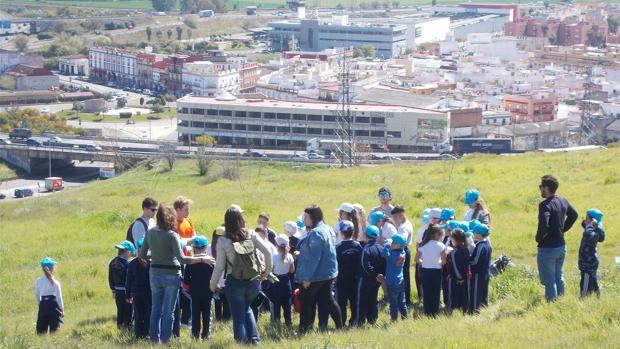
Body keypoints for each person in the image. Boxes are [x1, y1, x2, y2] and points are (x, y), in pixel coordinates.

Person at [139, 204, 213, 344]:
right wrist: (202, 258)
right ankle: (166, 342)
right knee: (169, 312)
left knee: (156, 309)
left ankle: (154, 341)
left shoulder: (150, 233)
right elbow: (182, 259)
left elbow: (142, 255)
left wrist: (155, 254)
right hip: (172, 275)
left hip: (155, 273)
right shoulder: (172, 235)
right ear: (171, 217)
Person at [209, 205, 273, 345]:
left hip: (235, 282)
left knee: (238, 316)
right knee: (247, 309)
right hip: (253, 281)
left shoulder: (223, 241)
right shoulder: (252, 234)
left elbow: (219, 266)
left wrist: (212, 284)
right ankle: (254, 341)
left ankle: (241, 344)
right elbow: (268, 252)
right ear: (240, 219)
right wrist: (266, 272)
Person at [295, 205, 343, 334]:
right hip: (329, 273)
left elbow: (314, 258)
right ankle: (340, 327)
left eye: (306, 217)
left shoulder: (317, 233)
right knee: (328, 300)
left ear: (313, 218)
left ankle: (304, 330)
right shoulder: (327, 228)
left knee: (306, 302)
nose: (304, 219)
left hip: (316, 275)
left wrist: (307, 278)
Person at [535, 175, 578, 302]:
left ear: (546, 188)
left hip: (547, 248)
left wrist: (539, 238)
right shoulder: (563, 200)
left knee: (549, 281)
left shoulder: (545, 205)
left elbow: (544, 223)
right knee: (558, 277)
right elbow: (574, 215)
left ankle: (551, 305)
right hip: (561, 246)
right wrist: (562, 229)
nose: (540, 189)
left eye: (541, 187)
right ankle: (561, 302)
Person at [183, 235, 214, 340]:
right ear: (206, 248)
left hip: (194, 292)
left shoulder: (191, 261)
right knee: (207, 314)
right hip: (208, 291)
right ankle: (206, 335)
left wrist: (186, 288)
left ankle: (195, 335)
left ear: (194, 248)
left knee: (195, 314)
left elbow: (186, 278)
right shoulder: (211, 261)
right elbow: (215, 276)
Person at [174, 196, 196, 328]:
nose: (187, 212)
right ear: (177, 209)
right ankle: (179, 318)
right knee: (180, 290)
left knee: (188, 289)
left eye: (188, 209)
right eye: (185, 209)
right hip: (179, 260)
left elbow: (194, 235)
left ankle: (186, 318)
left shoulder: (188, 220)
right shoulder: (173, 224)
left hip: (190, 259)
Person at [335, 220, 363, 327]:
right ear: (353, 232)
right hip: (355, 279)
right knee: (354, 300)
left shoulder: (338, 247)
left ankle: (342, 321)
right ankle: (354, 320)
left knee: (341, 301)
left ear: (342, 233)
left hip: (342, 279)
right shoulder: (358, 246)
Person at [415, 224, 446, 317]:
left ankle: (427, 312)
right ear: (438, 234)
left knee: (427, 292)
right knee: (436, 293)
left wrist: (424, 263)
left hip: (425, 271)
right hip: (436, 271)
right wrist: (438, 262)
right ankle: (434, 313)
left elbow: (416, 260)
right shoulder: (441, 246)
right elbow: (444, 261)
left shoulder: (423, 245)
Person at [357, 225, 386, 325]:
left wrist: (374, 274)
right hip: (377, 280)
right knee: (373, 299)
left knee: (363, 300)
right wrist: (381, 275)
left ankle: (360, 321)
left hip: (366, 279)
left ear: (365, 235)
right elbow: (384, 262)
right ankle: (372, 320)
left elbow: (365, 264)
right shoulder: (381, 248)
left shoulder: (366, 249)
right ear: (377, 236)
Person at [378, 233, 408, 321]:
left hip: (392, 282)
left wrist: (387, 245)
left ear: (400, 245)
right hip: (400, 280)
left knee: (393, 302)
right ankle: (405, 317)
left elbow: (384, 254)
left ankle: (394, 319)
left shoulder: (393, 255)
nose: (392, 243)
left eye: (394, 242)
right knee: (402, 301)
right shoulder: (403, 252)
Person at [126, 238, 151, 339]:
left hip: (136, 292)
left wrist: (128, 295)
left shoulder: (132, 263)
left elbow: (128, 281)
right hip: (149, 292)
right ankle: (147, 333)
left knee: (138, 313)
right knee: (148, 313)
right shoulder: (151, 263)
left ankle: (138, 334)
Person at [579, 209, 606, 298]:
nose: (585, 220)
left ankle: (583, 300)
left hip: (587, 264)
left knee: (585, 285)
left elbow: (587, 233)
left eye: (586, 218)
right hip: (591, 262)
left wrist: (590, 225)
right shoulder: (596, 230)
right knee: (593, 282)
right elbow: (601, 237)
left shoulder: (590, 232)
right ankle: (598, 297)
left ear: (591, 220)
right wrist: (593, 225)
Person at [109, 240, 135, 330]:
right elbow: (130, 280)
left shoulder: (112, 262)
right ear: (128, 252)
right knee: (129, 312)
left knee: (120, 311)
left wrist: (113, 290)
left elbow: (110, 278)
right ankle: (128, 328)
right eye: (132, 253)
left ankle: (119, 327)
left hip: (117, 291)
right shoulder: (129, 264)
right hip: (127, 292)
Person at [271, 234, 295, 327]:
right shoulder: (290, 256)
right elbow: (292, 270)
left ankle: (277, 323)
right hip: (286, 281)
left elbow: (271, 270)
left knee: (276, 304)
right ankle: (288, 323)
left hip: (276, 281)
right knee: (287, 305)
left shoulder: (274, 257)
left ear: (276, 244)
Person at [35, 257, 64, 334]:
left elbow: (37, 295)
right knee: (54, 331)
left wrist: (40, 305)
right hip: (54, 306)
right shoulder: (56, 283)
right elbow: (59, 298)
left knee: (41, 332)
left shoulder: (38, 281)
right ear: (52, 268)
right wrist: (61, 309)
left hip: (43, 305)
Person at [391, 205, 413, 305]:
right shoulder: (406, 224)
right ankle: (405, 300)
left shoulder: (404, 228)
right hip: (404, 250)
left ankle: (404, 300)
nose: (394, 220)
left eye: (395, 217)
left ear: (400, 215)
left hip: (402, 251)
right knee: (405, 276)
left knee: (403, 276)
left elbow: (401, 241)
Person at [469, 222, 492, 312]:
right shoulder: (487, 245)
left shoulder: (480, 246)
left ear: (478, 234)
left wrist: (468, 262)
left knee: (476, 292)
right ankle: (484, 309)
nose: (473, 234)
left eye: (474, 232)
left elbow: (475, 261)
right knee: (483, 292)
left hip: (478, 273)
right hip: (485, 272)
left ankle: (474, 310)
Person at [447, 229, 470, 313]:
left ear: (454, 239)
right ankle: (464, 312)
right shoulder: (466, 249)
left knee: (452, 297)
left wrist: (460, 278)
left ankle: (450, 313)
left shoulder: (454, 252)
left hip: (455, 279)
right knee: (463, 297)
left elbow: (456, 267)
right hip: (465, 278)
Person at [211, 225, 230, 321]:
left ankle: (218, 320)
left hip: (216, 281)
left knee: (217, 302)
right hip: (225, 281)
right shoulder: (227, 246)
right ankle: (224, 321)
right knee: (227, 304)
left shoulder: (210, 249)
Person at [414, 209, 430, 303]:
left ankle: (422, 297)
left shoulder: (422, 230)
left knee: (420, 278)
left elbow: (417, 246)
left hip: (422, 258)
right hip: (431, 259)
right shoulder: (422, 229)